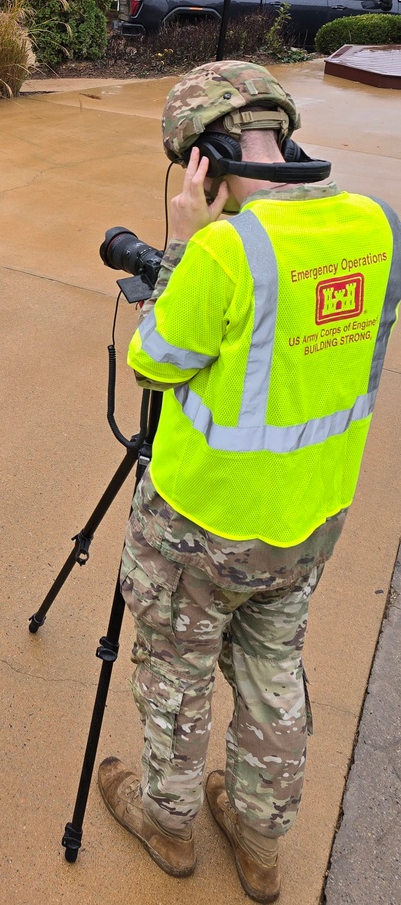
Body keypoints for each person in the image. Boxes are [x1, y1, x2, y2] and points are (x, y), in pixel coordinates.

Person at [98, 61, 400, 902]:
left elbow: (155, 363)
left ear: (203, 157)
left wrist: (188, 242)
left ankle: (170, 824)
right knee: (273, 675)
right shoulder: (381, 228)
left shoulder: (228, 251)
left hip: (202, 527)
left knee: (177, 672)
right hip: (308, 524)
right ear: (284, 133)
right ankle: (263, 848)